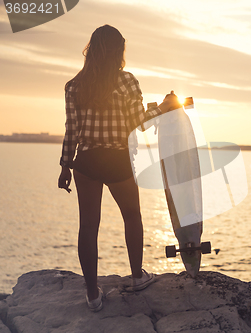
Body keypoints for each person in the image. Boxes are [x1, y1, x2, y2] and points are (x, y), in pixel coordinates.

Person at [57, 25, 181, 312]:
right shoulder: (126, 82)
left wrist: (65, 166)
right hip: (117, 158)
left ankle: (92, 295)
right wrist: (165, 106)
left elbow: (71, 130)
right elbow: (138, 121)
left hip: (85, 160)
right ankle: (137, 276)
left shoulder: (74, 85)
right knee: (132, 216)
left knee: (88, 227)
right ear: (116, 51)